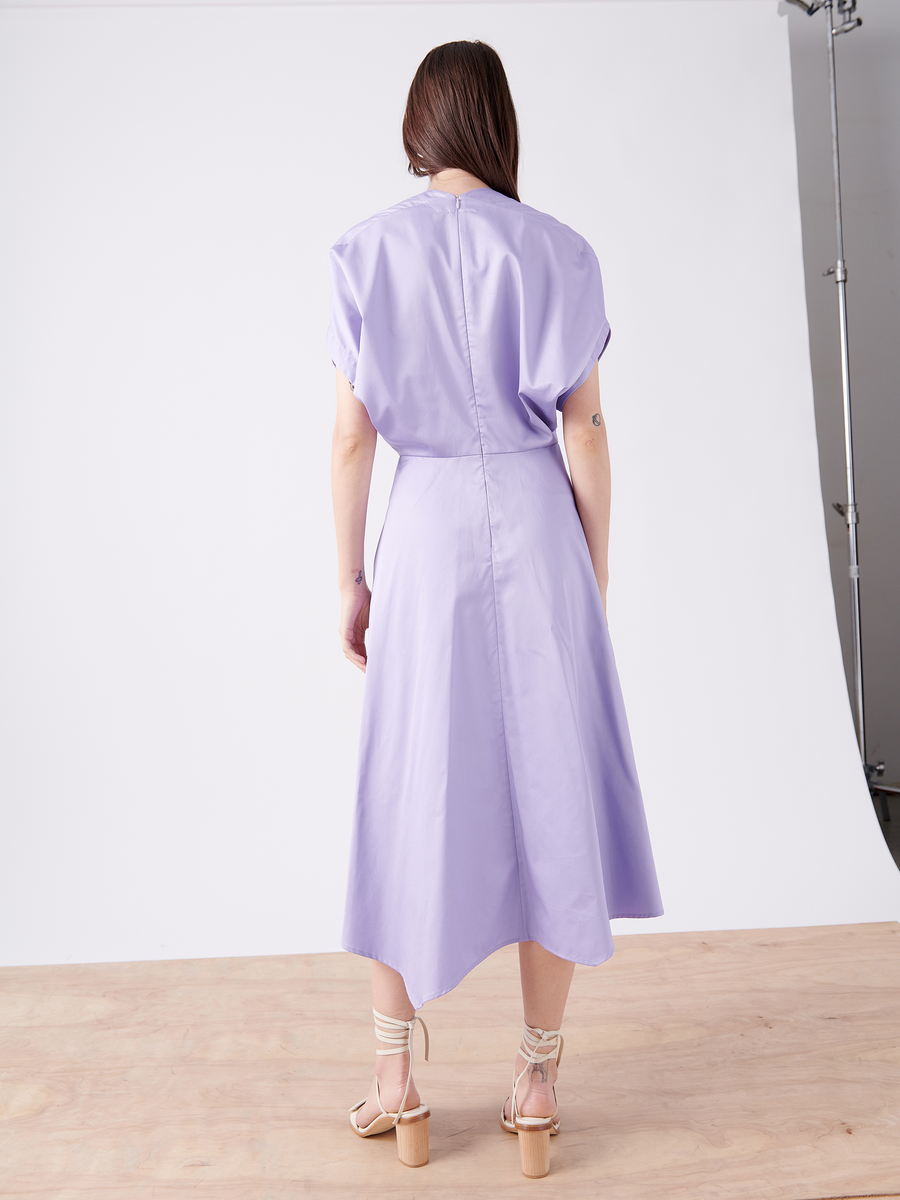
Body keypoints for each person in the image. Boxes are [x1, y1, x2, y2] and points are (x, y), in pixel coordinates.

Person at [326, 39, 663, 1178]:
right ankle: (534, 1084)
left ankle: (397, 1081)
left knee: (404, 783)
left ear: (419, 128)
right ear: (499, 127)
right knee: (546, 793)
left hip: (421, 536)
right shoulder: (560, 250)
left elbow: (350, 437)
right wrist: (592, 571)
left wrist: (349, 577)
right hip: (535, 528)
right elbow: (588, 429)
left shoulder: (364, 253)